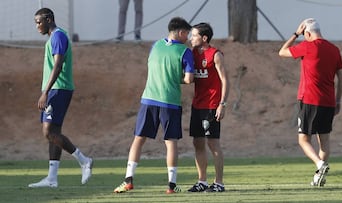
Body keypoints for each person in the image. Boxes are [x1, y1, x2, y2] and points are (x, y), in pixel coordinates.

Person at [113, 17, 194, 194]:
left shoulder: (155, 46)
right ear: (180, 32)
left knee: (138, 139)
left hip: (148, 99)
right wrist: (177, 77)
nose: (188, 37)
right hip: (170, 102)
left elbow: (154, 68)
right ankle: (171, 186)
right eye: (187, 33)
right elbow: (189, 79)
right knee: (171, 143)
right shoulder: (185, 52)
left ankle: (128, 180)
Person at [28, 8, 93, 188]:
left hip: (58, 89)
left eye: (39, 22)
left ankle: (84, 160)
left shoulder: (58, 37)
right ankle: (52, 178)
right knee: (53, 132)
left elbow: (57, 66)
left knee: (48, 132)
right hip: (56, 89)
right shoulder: (55, 37)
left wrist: (45, 92)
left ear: (49, 19)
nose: (37, 26)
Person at [279, 18, 342, 187]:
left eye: (304, 34)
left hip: (309, 99)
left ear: (307, 33)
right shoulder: (334, 49)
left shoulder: (307, 46)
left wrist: (295, 34)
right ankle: (319, 177)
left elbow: (282, 52)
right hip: (328, 101)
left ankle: (319, 164)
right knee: (324, 141)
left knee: (303, 139)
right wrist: (338, 100)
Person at [187, 23, 229, 192]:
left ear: (204, 38)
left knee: (213, 143)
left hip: (212, 105)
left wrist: (222, 104)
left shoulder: (215, 54)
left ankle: (219, 183)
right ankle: (202, 181)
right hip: (197, 105)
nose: (191, 38)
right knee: (197, 143)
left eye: (194, 35)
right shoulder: (191, 54)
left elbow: (225, 80)